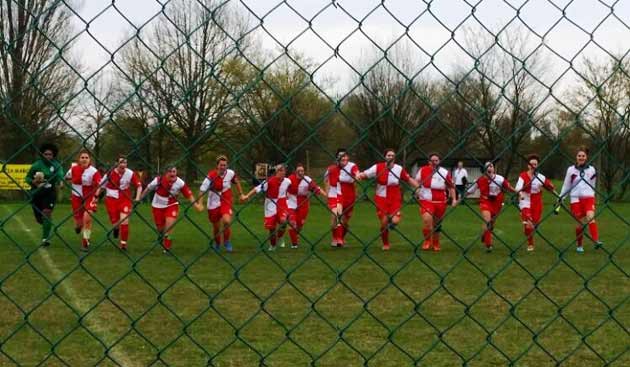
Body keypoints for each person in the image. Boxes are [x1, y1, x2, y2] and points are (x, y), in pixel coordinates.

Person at [357, 149, 420, 251]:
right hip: (381, 198)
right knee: (384, 223)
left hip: (395, 197)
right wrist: (360, 175)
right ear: (385, 157)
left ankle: (393, 221)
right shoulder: (378, 167)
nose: (390, 157)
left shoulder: (399, 169)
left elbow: (409, 179)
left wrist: (418, 188)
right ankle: (386, 243)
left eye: (392, 155)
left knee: (395, 220)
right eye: (388, 155)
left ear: (395, 157)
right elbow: (365, 174)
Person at [138, 166, 203, 253]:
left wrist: (196, 205)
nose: (172, 174)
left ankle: (167, 248)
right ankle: (161, 235)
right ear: (166, 173)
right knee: (160, 229)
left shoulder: (180, 183)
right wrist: (140, 198)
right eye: (170, 172)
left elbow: (189, 195)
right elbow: (148, 189)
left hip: (172, 204)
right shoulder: (158, 180)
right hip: (158, 205)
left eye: (174, 171)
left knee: (169, 226)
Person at [558, 147, 602, 253]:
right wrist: (561, 197)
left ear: (586, 157)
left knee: (591, 217)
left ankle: (596, 240)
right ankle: (579, 245)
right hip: (575, 198)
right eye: (579, 156)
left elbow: (593, 184)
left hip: (588, 197)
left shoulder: (591, 169)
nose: (581, 158)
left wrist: (591, 194)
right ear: (576, 157)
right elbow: (566, 185)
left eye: (583, 156)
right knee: (580, 224)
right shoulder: (571, 170)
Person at [465, 162, 515, 252]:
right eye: (487, 166)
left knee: (491, 224)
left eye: (491, 166)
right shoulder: (480, 180)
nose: (489, 168)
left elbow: (509, 187)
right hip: (485, 201)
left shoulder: (500, 179)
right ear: (485, 169)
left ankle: (485, 234)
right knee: (487, 220)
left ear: (493, 168)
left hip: (497, 203)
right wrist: (461, 196)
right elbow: (470, 191)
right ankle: (488, 245)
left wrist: (517, 192)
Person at [95, 156, 143, 250]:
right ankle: (116, 229)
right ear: (116, 163)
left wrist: (137, 198)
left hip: (125, 199)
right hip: (111, 200)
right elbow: (101, 186)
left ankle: (123, 244)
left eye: (125, 163)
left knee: (124, 220)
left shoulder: (130, 173)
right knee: (115, 223)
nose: (123, 165)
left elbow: (139, 186)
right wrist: (96, 197)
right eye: (121, 162)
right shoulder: (109, 174)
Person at [198, 155, 244, 253]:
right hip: (213, 202)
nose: (223, 167)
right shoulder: (210, 176)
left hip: (225, 199)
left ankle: (227, 241)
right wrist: (200, 203)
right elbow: (202, 190)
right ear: (217, 166)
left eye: (225, 165)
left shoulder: (231, 173)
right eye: (221, 165)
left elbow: (237, 181)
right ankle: (217, 243)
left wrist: (241, 194)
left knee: (227, 221)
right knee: (216, 226)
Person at [241, 164, 291, 251]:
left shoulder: (287, 181)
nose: (283, 172)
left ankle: (280, 237)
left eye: (284, 171)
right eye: (280, 170)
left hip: (282, 203)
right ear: (277, 172)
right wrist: (247, 196)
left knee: (283, 221)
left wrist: (289, 194)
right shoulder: (270, 181)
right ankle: (273, 245)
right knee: (271, 228)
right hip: (270, 204)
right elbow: (257, 189)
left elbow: (290, 188)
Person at [25, 143, 64, 247]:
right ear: (42, 154)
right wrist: (34, 182)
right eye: (46, 154)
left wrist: (60, 181)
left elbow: (60, 174)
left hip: (50, 192)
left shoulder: (56, 165)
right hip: (37, 193)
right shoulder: (36, 165)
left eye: (50, 154)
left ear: (53, 155)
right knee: (40, 219)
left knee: (46, 213)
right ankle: (46, 224)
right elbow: (27, 178)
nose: (48, 156)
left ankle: (45, 239)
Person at [514, 154, 556, 252]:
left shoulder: (541, 177)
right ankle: (530, 244)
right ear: (528, 165)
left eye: (535, 164)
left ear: (537, 165)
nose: (533, 166)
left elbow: (550, 187)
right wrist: (520, 194)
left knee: (533, 225)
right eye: (531, 164)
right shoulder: (523, 176)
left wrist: (558, 196)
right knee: (529, 223)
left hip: (537, 201)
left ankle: (527, 230)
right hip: (525, 200)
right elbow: (517, 188)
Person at [416, 153, 457, 252]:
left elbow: (451, 186)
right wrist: (417, 191)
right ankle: (427, 241)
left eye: (436, 160)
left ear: (439, 161)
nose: (434, 162)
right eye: (432, 160)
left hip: (440, 202)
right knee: (427, 220)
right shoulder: (423, 170)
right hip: (426, 200)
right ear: (428, 161)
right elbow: (416, 181)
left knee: (437, 224)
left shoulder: (444, 172)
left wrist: (454, 199)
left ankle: (436, 243)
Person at [65, 149, 102, 251]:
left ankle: (85, 242)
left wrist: (96, 196)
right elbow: (66, 178)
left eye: (86, 157)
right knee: (79, 223)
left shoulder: (94, 171)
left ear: (90, 159)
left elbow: (100, 185)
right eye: (82, 157)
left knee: (88, 218)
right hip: (76, 197)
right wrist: (62, 184)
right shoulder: (73, 169)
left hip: (89, 197)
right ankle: (77, 226)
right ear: (79, 159)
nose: (84, 159)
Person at [284, 163, 326, 248]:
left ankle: (296, 234)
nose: (300, 172)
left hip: (303, 204)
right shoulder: (290, 179)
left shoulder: (307, 180)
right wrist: (285, 194)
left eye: (302, 171)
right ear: (295, 171)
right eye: (298, 171)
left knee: (299, 224)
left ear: (304, 172)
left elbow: (316, 188)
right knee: (292, 222)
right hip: (291, 203)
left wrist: (326, 195)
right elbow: (282, 187)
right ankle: (294, 244)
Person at [337, 149, 360, 244]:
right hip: (338, 193)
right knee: (338, 217)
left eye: (344, 155)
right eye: (340, 155)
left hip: (350, 194)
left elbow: (356, 172)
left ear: (347, 157)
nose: (343, 157)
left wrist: (358, 175)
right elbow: (327, 179)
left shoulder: (352, 165)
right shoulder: (334, 167)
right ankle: (337, 239)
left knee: (345, 221)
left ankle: (341, 237)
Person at [324, 151, 346, 247]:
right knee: (334, 217)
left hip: (341, 194)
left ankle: (339, 239)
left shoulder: (348, 169)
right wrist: (327, 194)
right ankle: (334, 238)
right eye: (341, 158)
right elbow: (326, 181)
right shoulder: (331, 169)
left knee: (339, 215)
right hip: (333, 194)